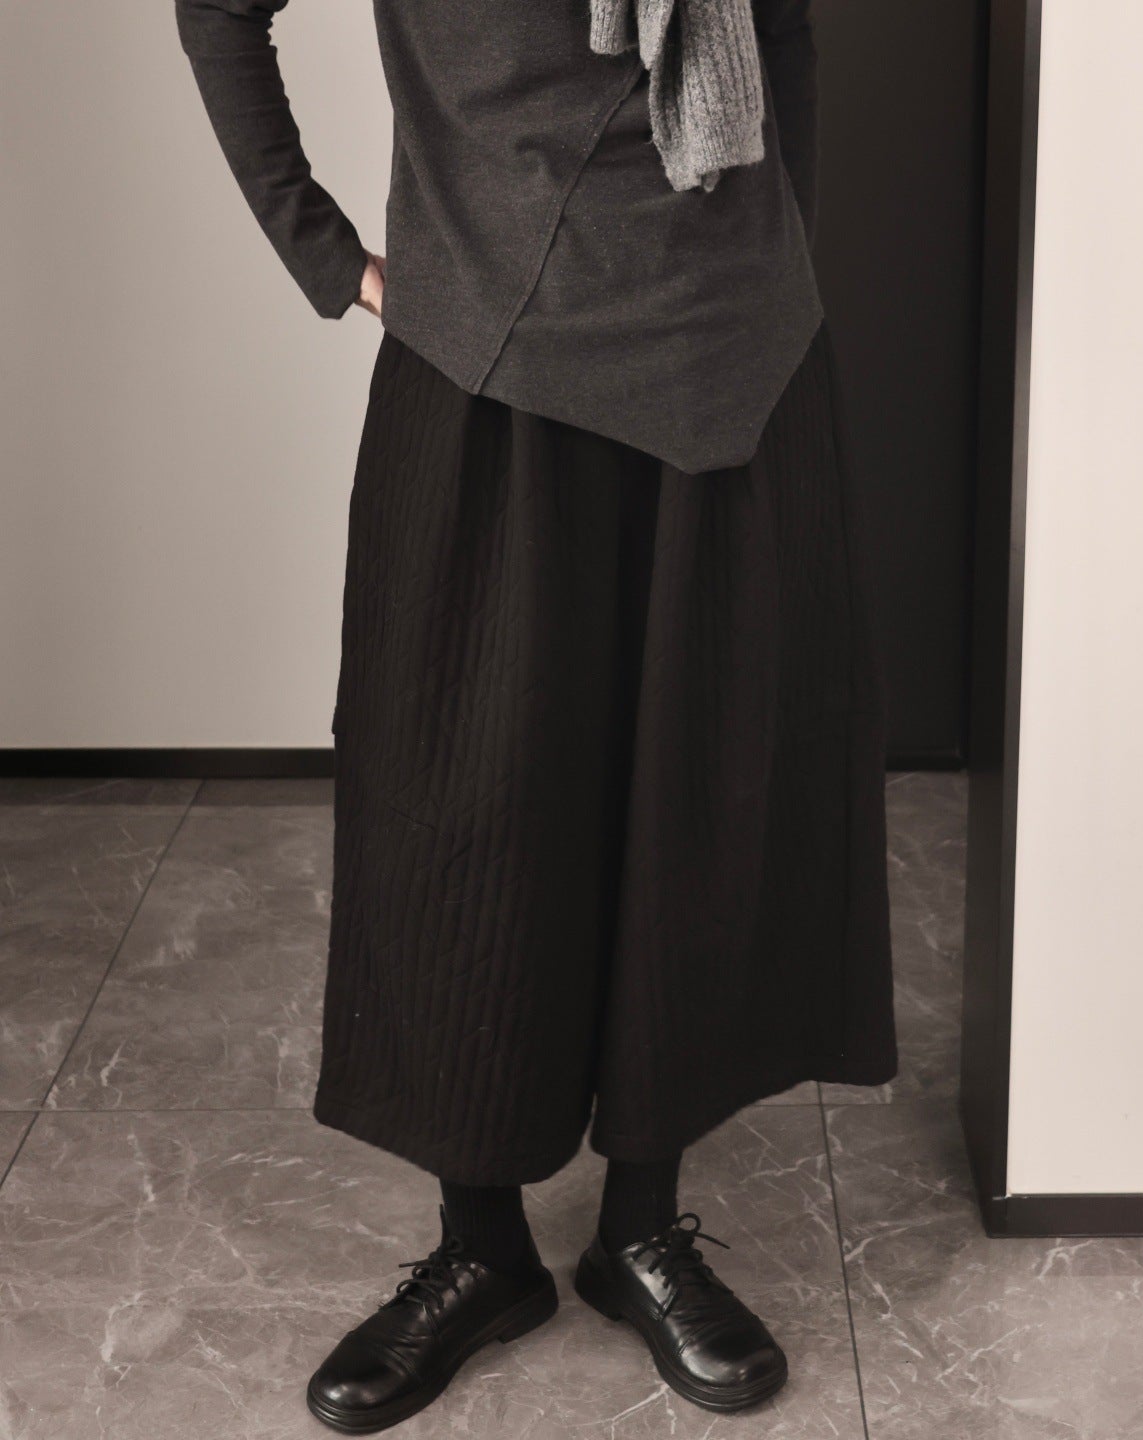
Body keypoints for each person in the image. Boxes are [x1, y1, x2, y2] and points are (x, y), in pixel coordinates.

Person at [175, 0, 898, 1429]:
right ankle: (480, 1249)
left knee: (697, 795)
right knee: (469, 804)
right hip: (488, 360)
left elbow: (784, 34)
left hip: (732, 362)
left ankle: (641, 1229)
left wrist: (782, 273)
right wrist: (331, 259)